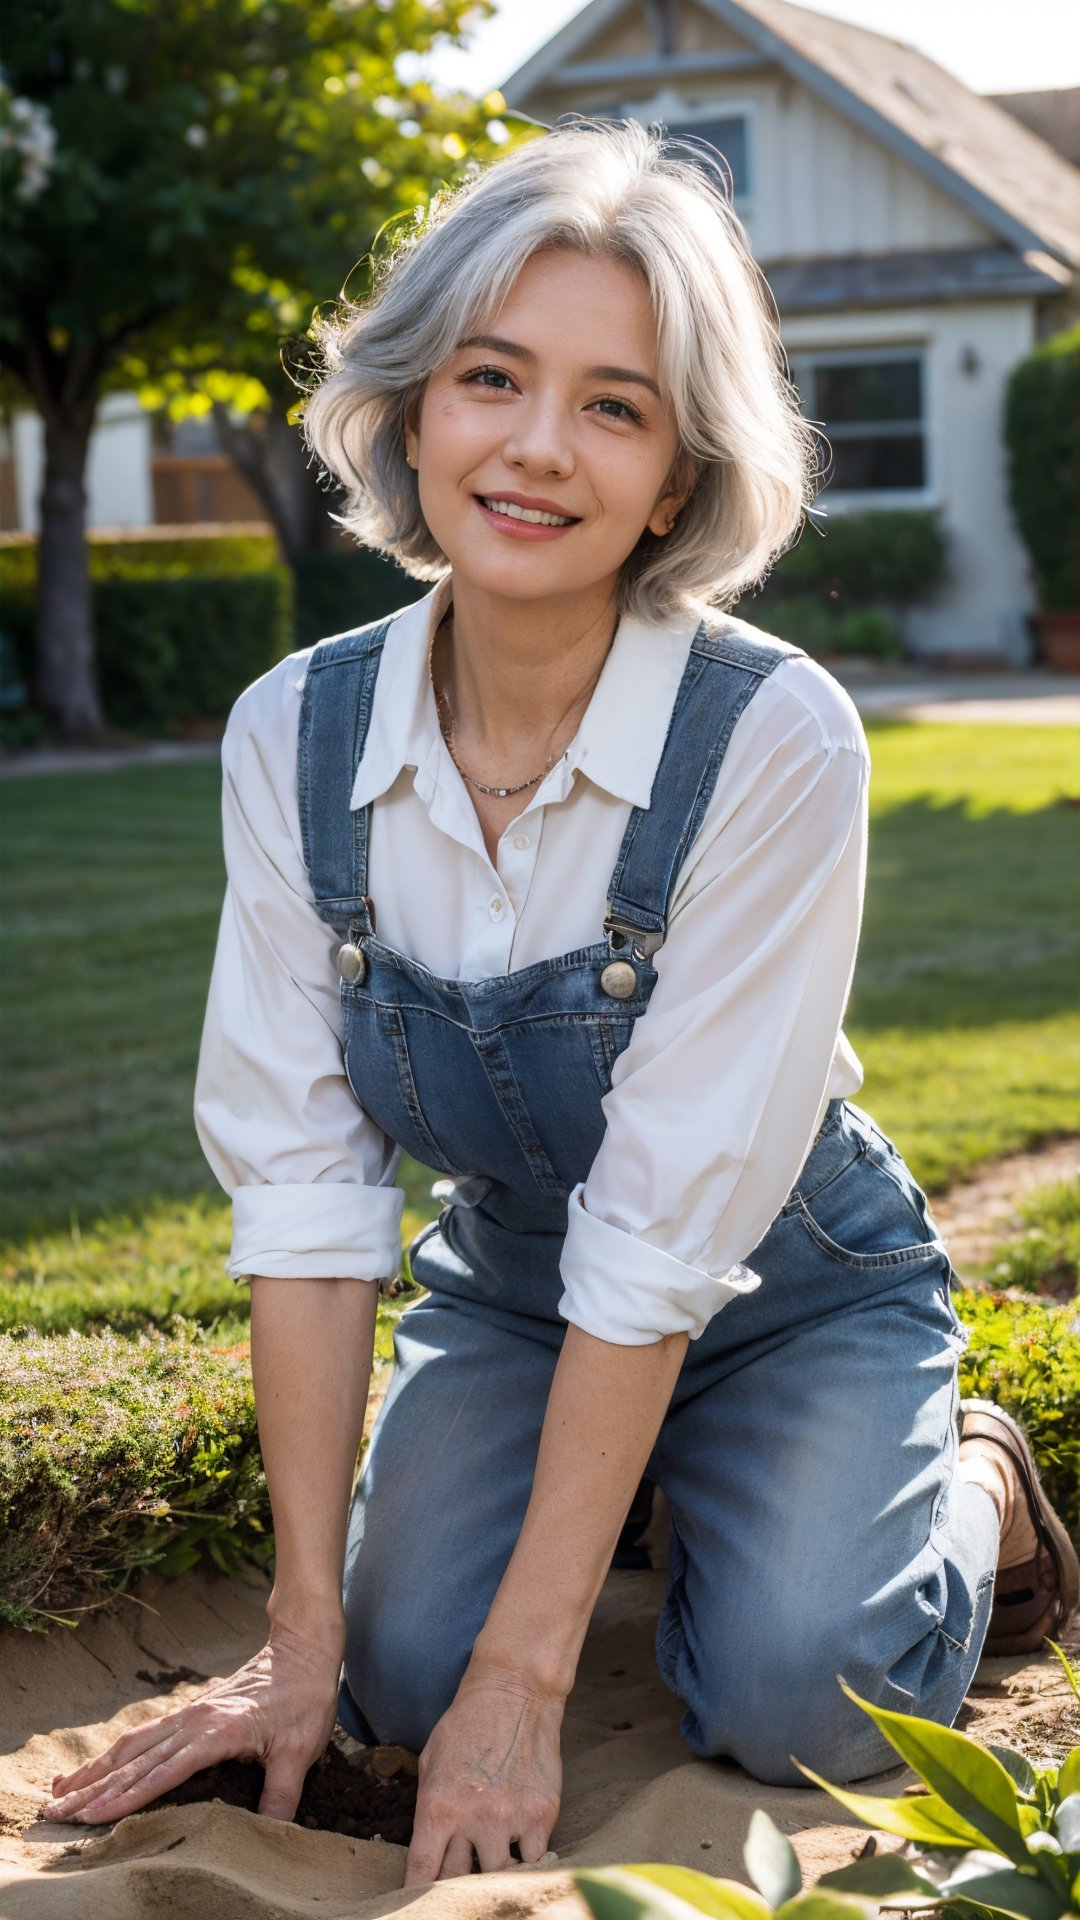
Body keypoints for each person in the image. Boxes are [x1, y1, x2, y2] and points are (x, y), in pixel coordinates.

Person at [45, 118, 1078, 1885]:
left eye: (614, 406)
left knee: (806, 1700)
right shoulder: (293, 734)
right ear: (412, 411)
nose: (535, 448)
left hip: (785, 1284)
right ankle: (655, 1500)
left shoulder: (773, 737)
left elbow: (672, 1224)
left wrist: (532, 1684)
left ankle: (975, 1486)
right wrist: (306, 1644)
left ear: (678, 479)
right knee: (395, 1679)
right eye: (491, 379)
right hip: (519, 1288)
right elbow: (305, 1211)